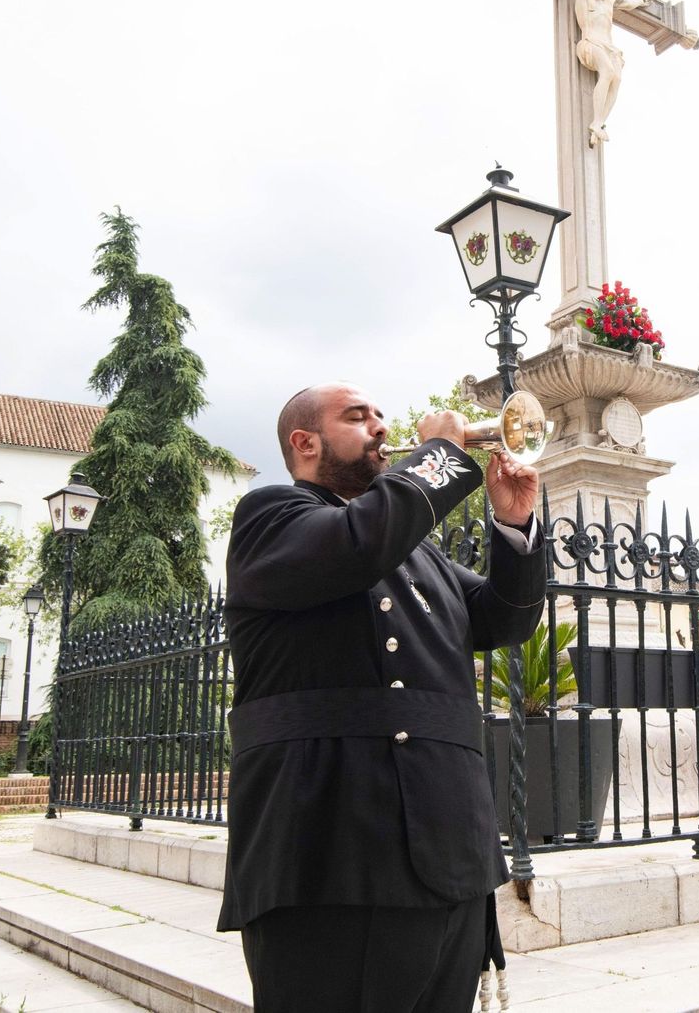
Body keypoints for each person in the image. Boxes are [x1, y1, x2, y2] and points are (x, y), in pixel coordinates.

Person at [216, 382, 546, 1012]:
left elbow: (506, 620)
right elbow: (352, 545)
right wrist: (443, 453)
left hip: (449, 851)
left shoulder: (419, 552)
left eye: (381, 416)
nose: (379, 427)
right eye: (357, 416)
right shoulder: (269, 518)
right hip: (330, 855)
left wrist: (513, 524)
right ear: (304, 442)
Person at [514, 0, 648, 148]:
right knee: (607, 71)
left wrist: (640, 1)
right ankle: (597, 122)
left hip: (609, 46)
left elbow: (628, 4)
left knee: (617, 78)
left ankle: (599, 122)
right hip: (589, 44)